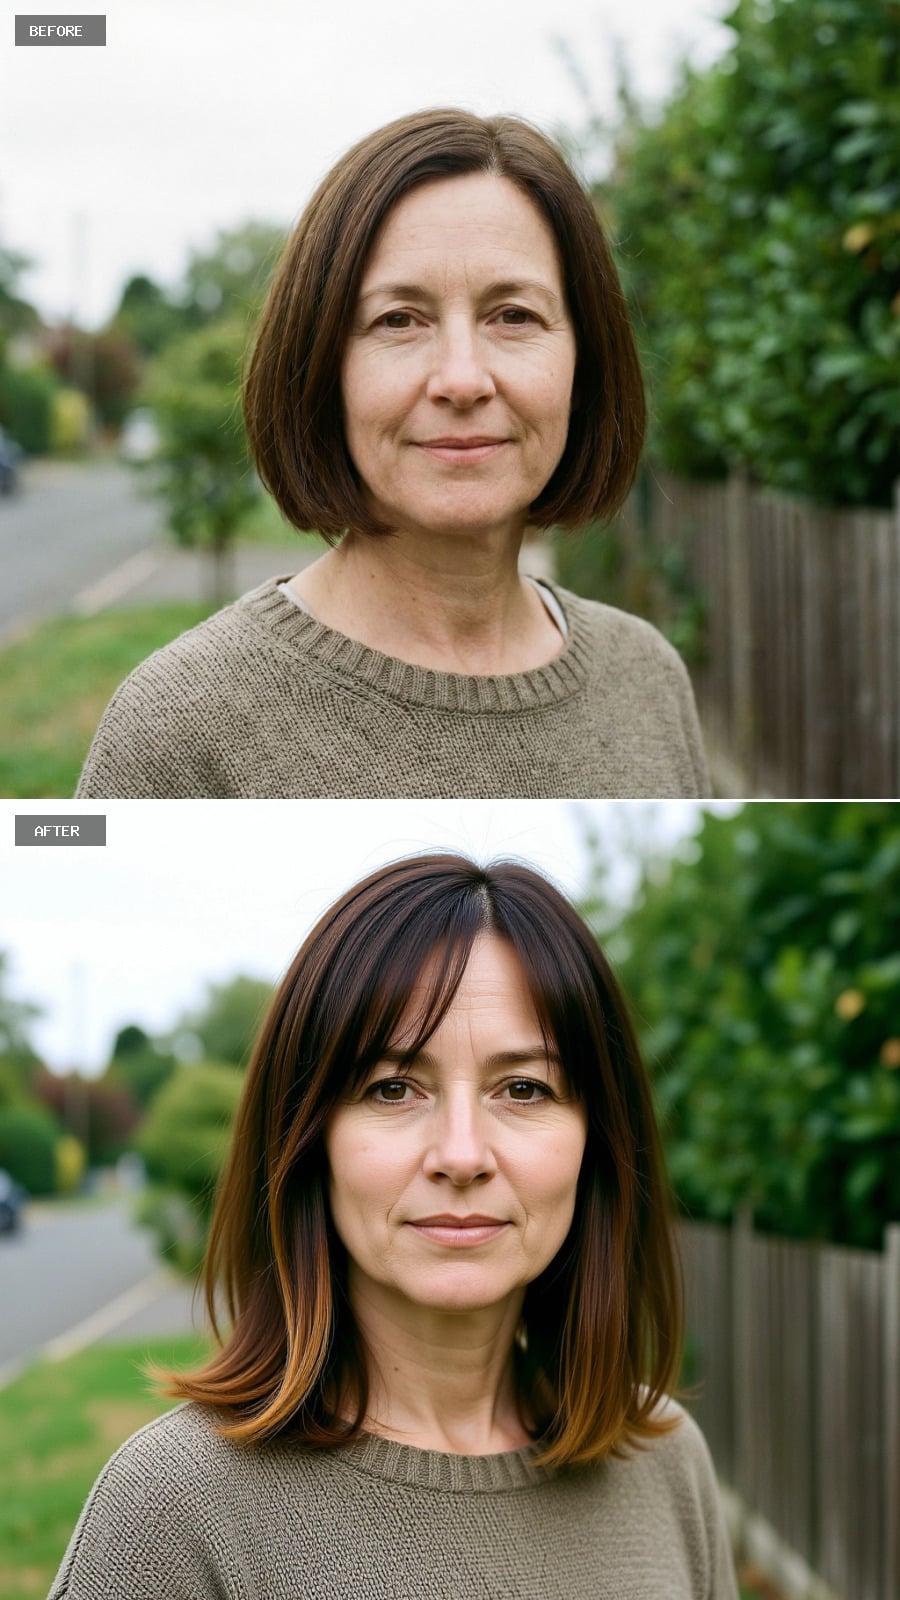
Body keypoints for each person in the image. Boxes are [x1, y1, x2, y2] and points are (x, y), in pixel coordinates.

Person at [49, 854, 738, 1599]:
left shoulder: (665, 1465)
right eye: (394, 1087)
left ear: (596, 1143)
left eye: (524, 1087)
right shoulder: (174, 1509)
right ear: (307, 1141)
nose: (463, 1155)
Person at [76, 110, 709, 799]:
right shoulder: (179, 726)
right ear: (322, 371)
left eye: (514, 316)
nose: (463, 379)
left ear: (583, 363)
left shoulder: (648, 678)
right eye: (398, 320)